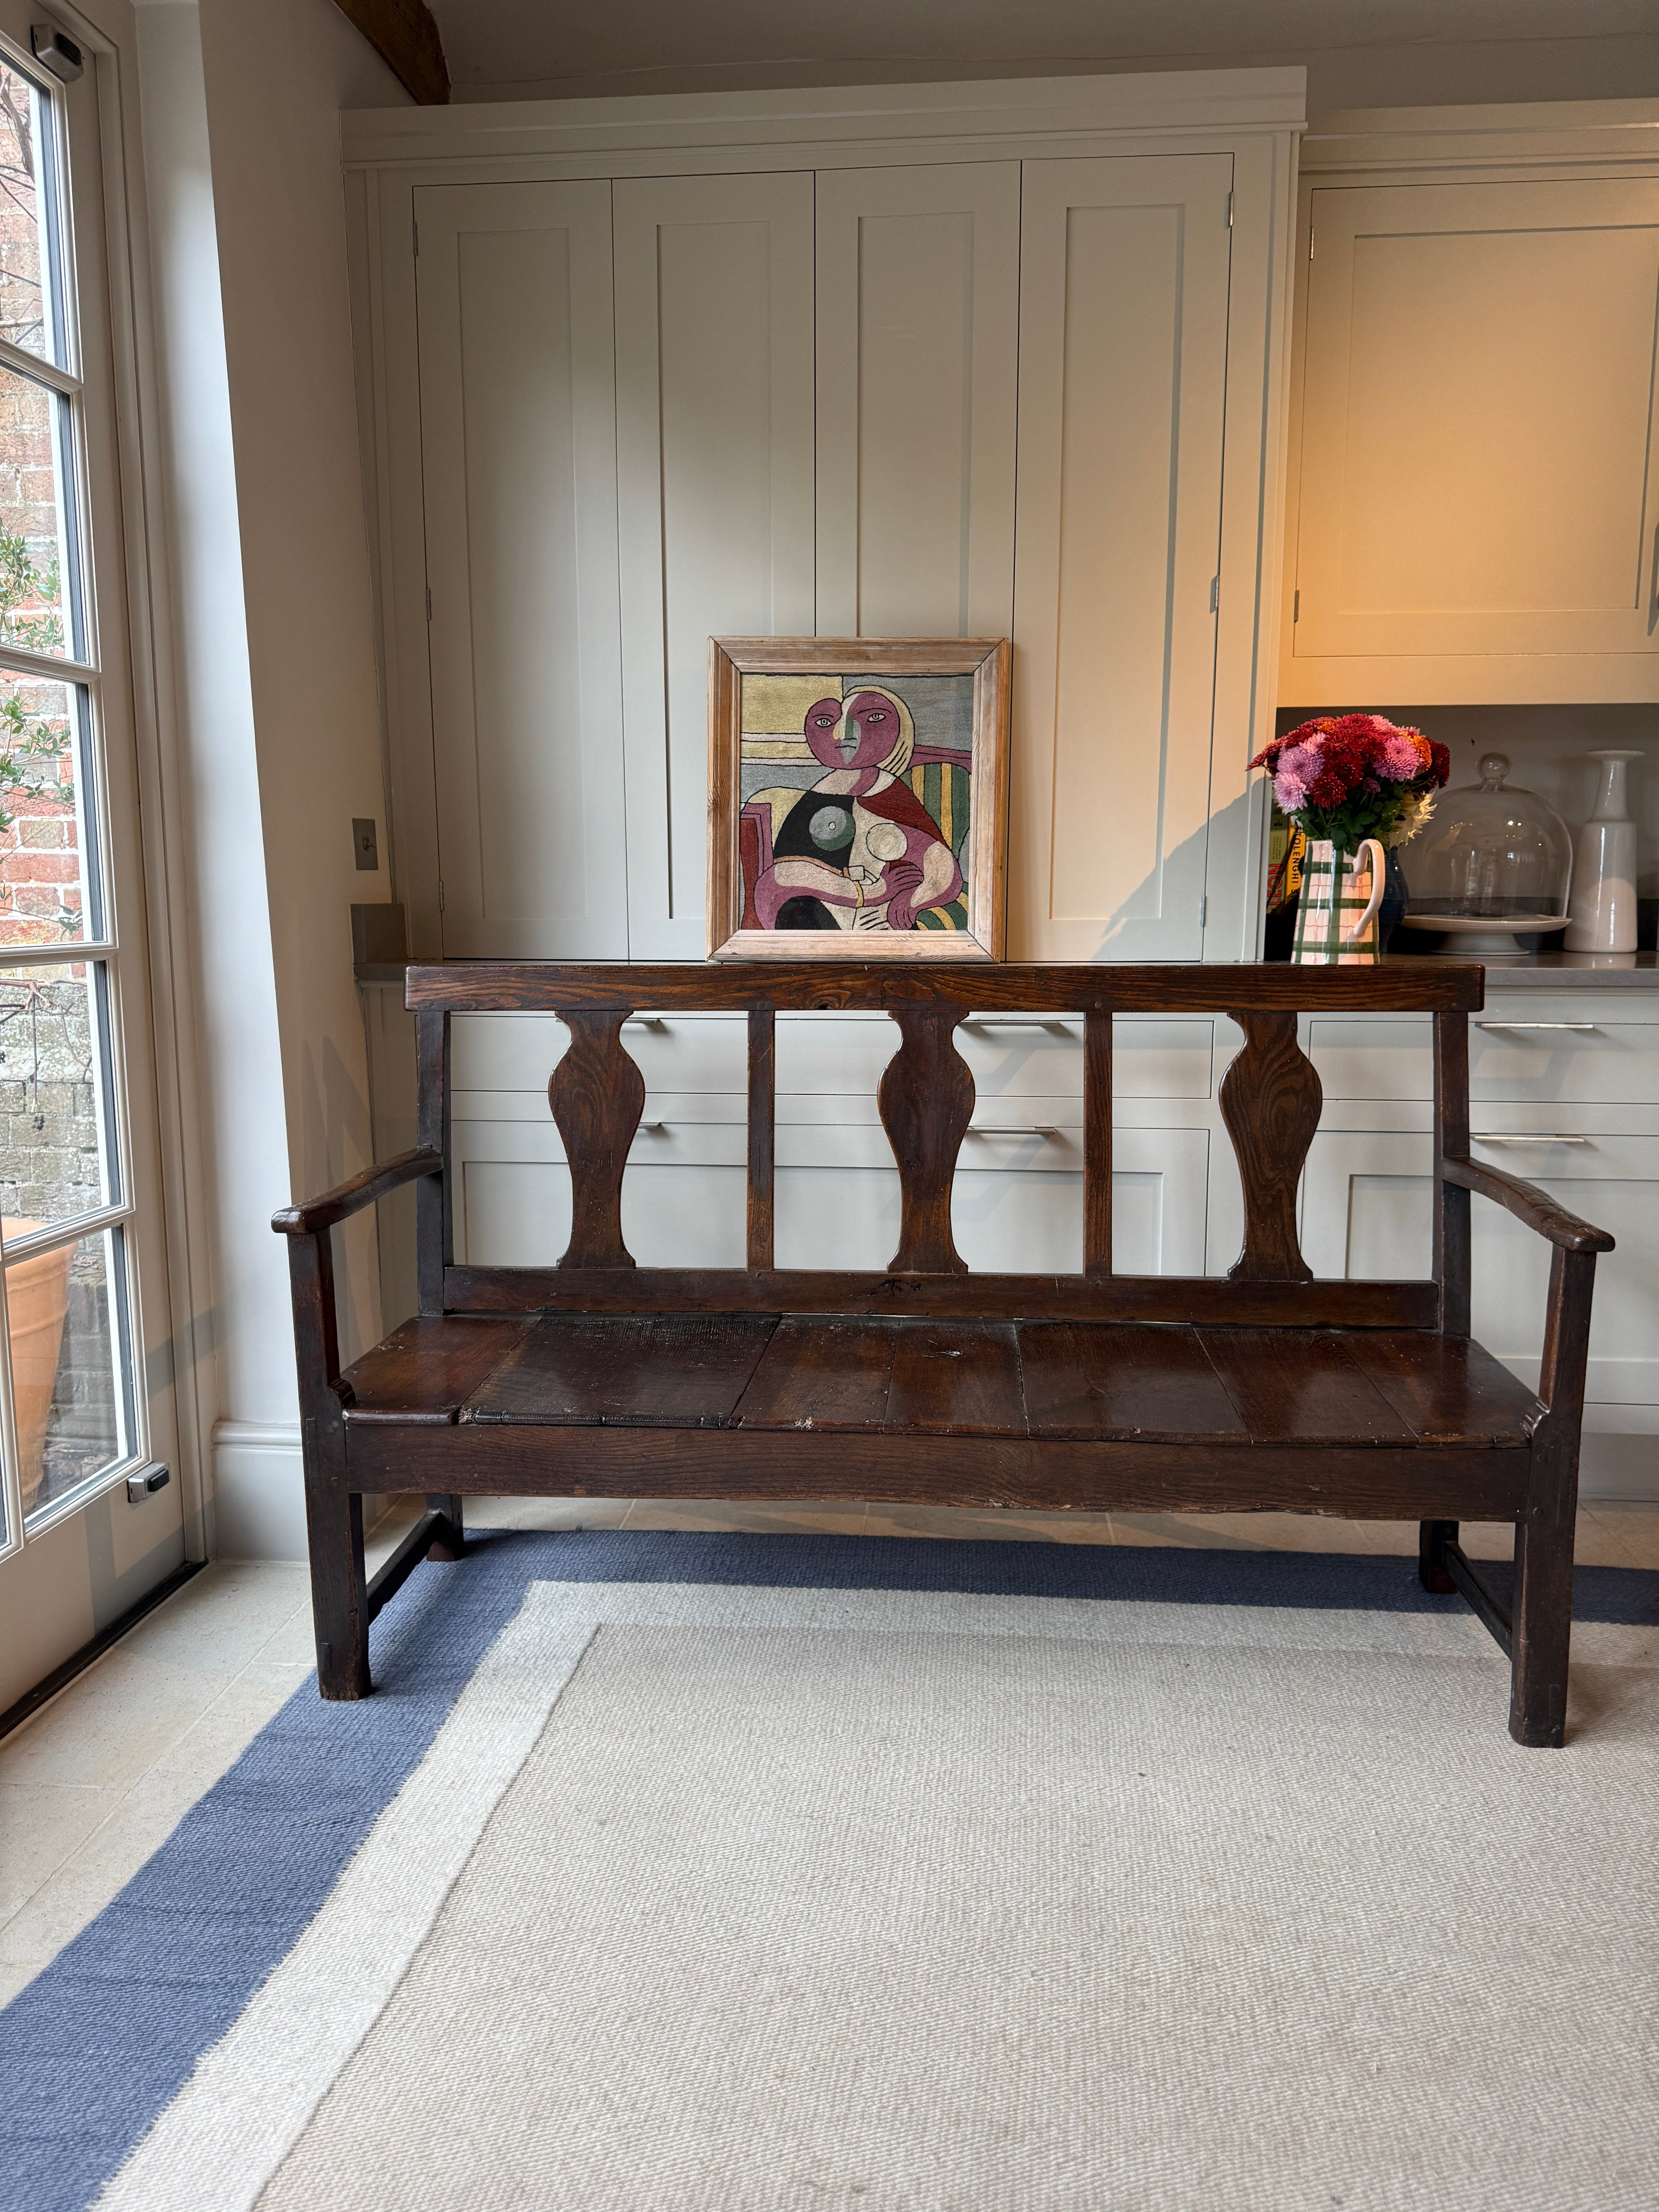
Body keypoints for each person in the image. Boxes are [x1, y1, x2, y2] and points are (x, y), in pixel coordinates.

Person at [750, 688, 962, 932]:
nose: (844, 735)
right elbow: (783, 878)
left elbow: (942, 869)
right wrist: (869, 892)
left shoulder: (889, 794)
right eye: (825, 722)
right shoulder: (818, 796)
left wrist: (910, 902)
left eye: (873, 718)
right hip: (821, 916)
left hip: (879, 922)